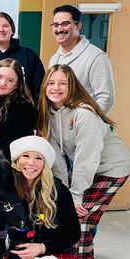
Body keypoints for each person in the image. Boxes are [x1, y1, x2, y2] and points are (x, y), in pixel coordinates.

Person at [37, 64, 130, 258]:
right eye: (51, 83)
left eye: (63, 83)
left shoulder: (83, 113)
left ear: (72, 87)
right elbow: (58, 159)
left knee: (80, 220)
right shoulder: (50, 114)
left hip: (111, 169)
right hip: (90, 168)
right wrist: (64, 193)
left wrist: (76, 196)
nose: (56, 88)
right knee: (71, 214)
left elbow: (87, 157)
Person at [0, 135, 81, 259]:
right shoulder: (6, 189)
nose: (31, 163)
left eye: (38, 158)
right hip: (19, 252)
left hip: (53, 251)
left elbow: (73, 233)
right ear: (17, 161)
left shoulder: (59, 190)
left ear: (44, 164)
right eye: (26, 156)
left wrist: (41, 247)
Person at [0, 58, 36, 258]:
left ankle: (17, 248)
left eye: (10, 80)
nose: (3, 83)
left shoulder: (22, 106)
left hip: (13, 166)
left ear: (18, 84)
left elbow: (8, 142)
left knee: (14, 211)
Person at [49, 5, 114, 114]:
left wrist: (86, 123)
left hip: (83, 127)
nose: (59, 29)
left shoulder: (96, 56)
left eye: (65, 24)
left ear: (78, 25)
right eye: (56, 25)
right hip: (59, 127)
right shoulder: (54, 59)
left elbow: (106, 99)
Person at [0, 12, 44, 102]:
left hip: (23, 112)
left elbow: (39, 88)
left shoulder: (29, 55)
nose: (1, 29)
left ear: (12, 30)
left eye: (5, 26)